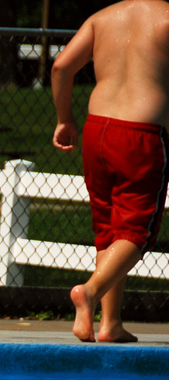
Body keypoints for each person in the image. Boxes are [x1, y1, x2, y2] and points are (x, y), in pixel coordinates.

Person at [51, 0, 169, 344]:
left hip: (97, 130)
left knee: (109, 228)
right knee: (137, 231)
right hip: (142, 134)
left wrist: (64, 119)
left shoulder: (101, 18)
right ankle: (88, 292)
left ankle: (109, 323)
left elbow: (60, 67)